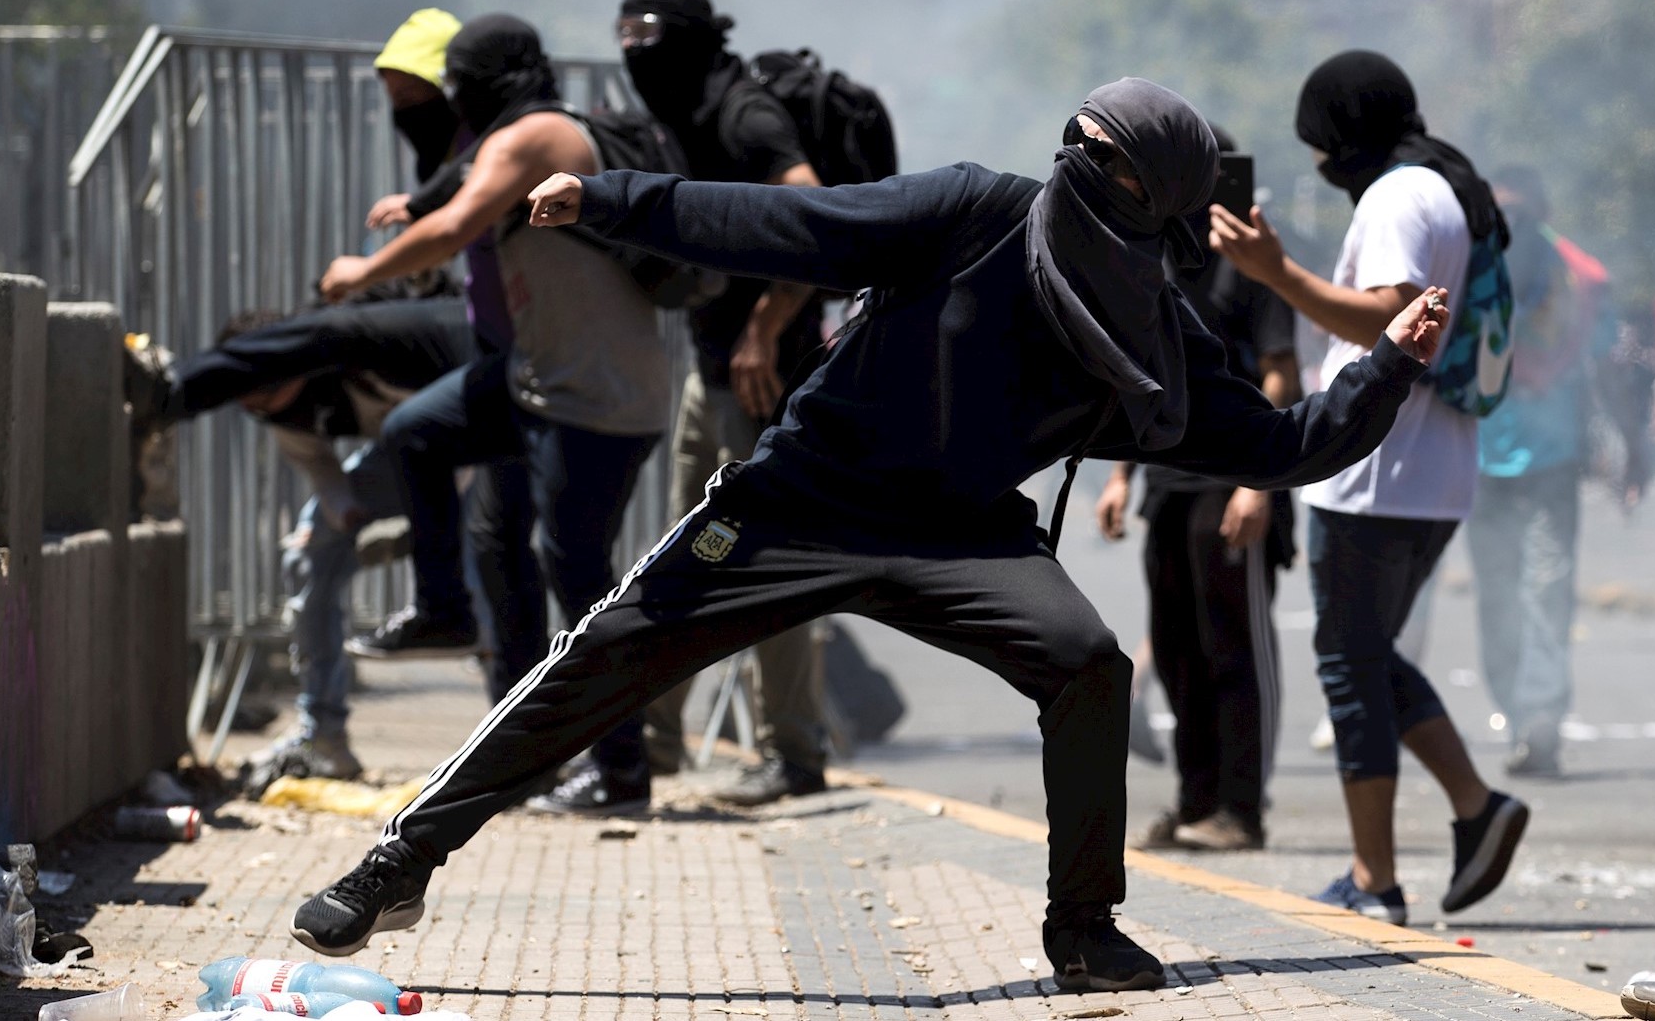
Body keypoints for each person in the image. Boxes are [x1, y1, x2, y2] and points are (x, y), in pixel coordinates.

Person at [289, 76, 1453, 993]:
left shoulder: (1151, 330)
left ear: (1148, 195)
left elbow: (1285, 443)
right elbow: (793, 223)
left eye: (1102, 160)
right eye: (1075, 144)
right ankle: (397, 866)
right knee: (594, 663)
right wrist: (612, 199)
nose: (1074, 168)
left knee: (1089, 665)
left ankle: (1086, 928)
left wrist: (1393, 364)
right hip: (796, 502)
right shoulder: (976, 208)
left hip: (960, 539)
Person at [315, 15, 672, 816]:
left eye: (460, 83)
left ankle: (622, 773)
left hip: (596, 397)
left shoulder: (537, 135)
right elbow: (447, 192)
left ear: (484, 80)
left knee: (579, 583)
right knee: (418, 434)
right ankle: (444, 610)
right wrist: (413, 198)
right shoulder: (522, 134)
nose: (455, 101)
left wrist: (361, 274)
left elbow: (453, 225)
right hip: (538, 382)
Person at [1210, 49, 1528, 925]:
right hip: (1434, 471)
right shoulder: (1446, 186)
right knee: (1368, 654)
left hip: (1374, 468)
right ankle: (1476, 807)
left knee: (1350, 666)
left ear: (1344, 132)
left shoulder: (1398, 195)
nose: (1318, 161)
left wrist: (1277, 274)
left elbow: (1392, 315)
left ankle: (1375, 878)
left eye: (1321, 142)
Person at [616, 0, 834, 806]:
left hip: (758, 374)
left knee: (767, 558)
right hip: (710, 375)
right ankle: (658, 742)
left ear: (693, 37)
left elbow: (811, 208)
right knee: (685, 552)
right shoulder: (679, 113)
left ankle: (795, 753)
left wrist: (766, 326)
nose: (636, 54)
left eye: (650, 36)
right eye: (624, 38)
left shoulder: (743, 112)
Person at [128, 300, 477, 781]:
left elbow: (452, 435)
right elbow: (320, 467)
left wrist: (428, 524)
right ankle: (324, 736)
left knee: (487, 580)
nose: (266, 406)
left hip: (477, 453)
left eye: (270, 386)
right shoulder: (280, 411)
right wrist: (345, 513)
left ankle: (525, 750)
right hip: (407, 463)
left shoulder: (366, 361)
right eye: (251, 399)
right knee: (311, 552)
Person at [1097, 127, 1298, 853]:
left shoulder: (1245, 262)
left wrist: (1258, 480)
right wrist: (1120, 473)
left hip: (1231, 476)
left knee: (1232, 647)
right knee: (1180, 651)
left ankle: (1241, 810)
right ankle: (1194, 803)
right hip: (1166, 477)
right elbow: (1135, 370)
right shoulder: (1150, 257)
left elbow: (1281, 370)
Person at [344, 7, 545, 681]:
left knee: (536, 551)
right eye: (393, 100)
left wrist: (369, 270)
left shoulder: (511, 145)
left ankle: (560, 740)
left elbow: (460, 213)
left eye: (416, 98)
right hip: (504, 358)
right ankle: (517, 729)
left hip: (545, 370)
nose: (405, 113)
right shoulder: (464, 158)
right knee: (495, 539)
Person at [1469, 165, 1618, 776]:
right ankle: (1520, 715)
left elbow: (1604, 361)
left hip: (1551, 460)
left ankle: (1541, 721)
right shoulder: (1472, 265)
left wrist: (1622, 439)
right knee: (1499, 595)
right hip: (1482, 459)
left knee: (1546, 592)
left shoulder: (1581, 276)